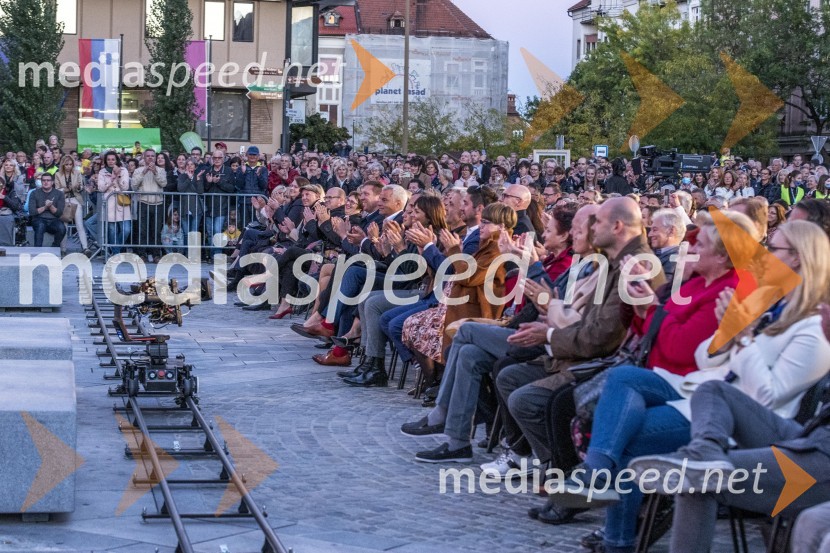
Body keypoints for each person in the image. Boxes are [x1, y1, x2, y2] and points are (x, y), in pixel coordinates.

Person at [627, 220, 830, 553]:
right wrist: (730, 331)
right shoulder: (776, 312)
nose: (763, 257)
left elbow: (769, 395)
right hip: (719, 409)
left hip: (773, 428)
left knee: (693, 474)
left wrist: (743, 340)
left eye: (773, 249)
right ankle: (703, 453)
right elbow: (704, 359)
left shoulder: (812, 327)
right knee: (697, 401)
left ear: (796, 258)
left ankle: (621, 529)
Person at [97, 150, 131, 255]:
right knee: (112, 231)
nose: (111, 161)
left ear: (116, 160)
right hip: (109, 204)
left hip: (122, 203)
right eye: (108, 160)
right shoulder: (102, 172)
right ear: (105, 161)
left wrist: (118, 175)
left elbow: (125, 187)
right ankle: (116, 254)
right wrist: (111, 180)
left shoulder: (123, 170)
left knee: (126, 230)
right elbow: (101, 188)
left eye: (113, 159)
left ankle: (115, 250)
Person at [28, 172, 66, 250]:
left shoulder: (59, 194)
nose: (46, 182)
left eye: (48, 180)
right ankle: (37, 251)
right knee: (40, 226)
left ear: (52, 182)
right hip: (38, 219)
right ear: (41, 182)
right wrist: (45, 207)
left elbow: (59, 213)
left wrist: (51, 206)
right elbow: (32, 212)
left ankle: (54, 248)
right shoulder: (34, 193)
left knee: (62, 228)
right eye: (44, 180)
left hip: (54, 220)